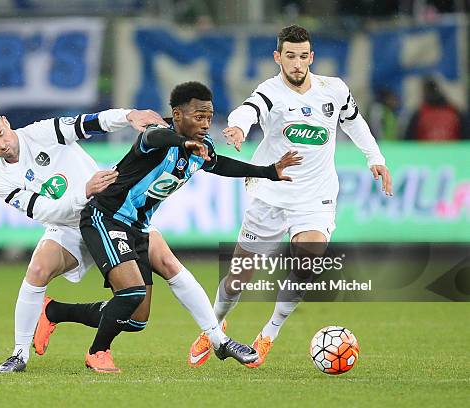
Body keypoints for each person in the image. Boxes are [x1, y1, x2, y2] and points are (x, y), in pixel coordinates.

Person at [0, 107, 257, 374]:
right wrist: (84, 192)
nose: (1, 145)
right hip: (67, 229)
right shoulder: (3, 182)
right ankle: (19, 354)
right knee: (38, 270)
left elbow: (91, 122)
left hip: (111, 212)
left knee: (140, 312)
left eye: (0, 134)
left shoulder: (41, 133)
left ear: (6, 122)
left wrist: (129, 116)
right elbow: (44, 210)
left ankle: (55, 311)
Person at [189, 24, 393, 369]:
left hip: (315, 197)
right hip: (270, 194)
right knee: (239, 277)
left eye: (303, 56)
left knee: (308, 259)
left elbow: (355, 123)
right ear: (277, 57)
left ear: (311, 57)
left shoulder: (335, 90)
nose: (297, 64)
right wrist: (239, 126)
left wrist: (376, 159)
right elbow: (249, 110)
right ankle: (214, 328)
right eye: (290, 56)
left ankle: (269, 332)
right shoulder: (270, 92)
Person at [78, 81, 302, 373]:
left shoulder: (201, 148)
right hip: (105, 217)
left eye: (209, 117)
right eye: (199, 116)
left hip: (139, 227)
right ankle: (98, 352)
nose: (206, 123)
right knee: (133, 293)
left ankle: (53, 311)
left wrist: (268, 172)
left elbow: (220, 164)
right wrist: (182, 142)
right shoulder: (155, 135)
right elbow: (156, 138)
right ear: (177, 115)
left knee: (136, 319)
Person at [404, 76, 468, 141]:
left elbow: (408, 140)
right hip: (453, 150)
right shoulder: (454, 112)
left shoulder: (419, 114)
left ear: (424, 92)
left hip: (426, 150)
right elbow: (466, 136)